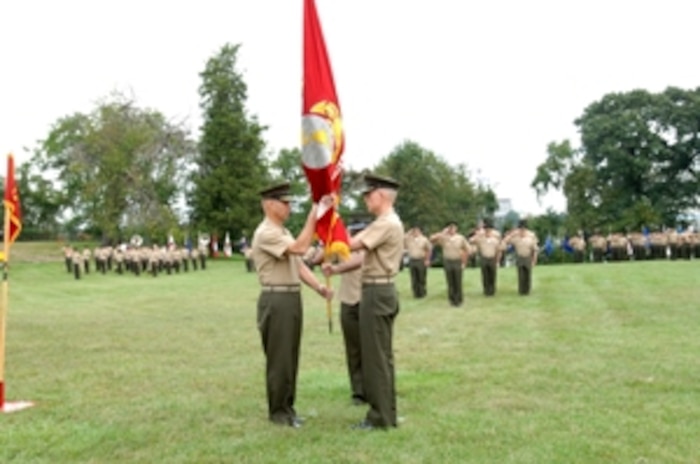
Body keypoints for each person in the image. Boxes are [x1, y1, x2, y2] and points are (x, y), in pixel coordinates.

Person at [250, 181, 334, 428]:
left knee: (290, 356)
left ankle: (288, 408)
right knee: (280, 358)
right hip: (276, 298)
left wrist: (319, 287)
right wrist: (313, 214)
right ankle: (279, 413)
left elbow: (298, 265)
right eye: (285, 203)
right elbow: (300, 248)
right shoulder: (266, 232)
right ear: (269, 204)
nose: (289, 207)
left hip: (290, 297)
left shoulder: (282, 232)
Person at [348, 173, 403, 430]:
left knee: (375, 358)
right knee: (382, 356)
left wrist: (329, 224)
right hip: (381, 291)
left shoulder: (386, 223)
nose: (366, 200)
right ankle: (387, 413)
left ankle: (380, 417)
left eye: (369, 195)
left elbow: (352, 244)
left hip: (376, 292)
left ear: (381, 195)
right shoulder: (386, 221)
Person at [320, 221, 368, 406]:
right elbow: (318, 258)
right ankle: (359, 391)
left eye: (359, 232)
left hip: (367, 299)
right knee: (353, 349)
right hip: (348, 300)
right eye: (353, 231)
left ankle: (375, 388)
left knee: (371, 348)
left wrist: (336, 269)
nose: (355, 235)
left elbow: (358, 261)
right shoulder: (341, 248)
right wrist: (326, 241)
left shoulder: (369, 247)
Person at [429, 222, 470, 307]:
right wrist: (442, 233)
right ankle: (452, 300)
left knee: (457, 281)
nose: (451, 230)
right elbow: (431, 239)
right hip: (448, 261)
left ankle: (459, 300)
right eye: (450, 228)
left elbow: (467, 250)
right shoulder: (443, 238)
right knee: (450, 281)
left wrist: (464, 262)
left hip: (457, 260)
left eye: (453, 228)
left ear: (456, 229)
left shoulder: (460, 238)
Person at [503, 220, 539, 295]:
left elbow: (535, 249)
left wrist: (534, 260)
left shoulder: (531, 237)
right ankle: (521, 291)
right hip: (520, 257)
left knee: (527, 275)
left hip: (528, 257)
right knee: (521, 275)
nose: (522, 231)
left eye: (523, 229)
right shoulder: (516, 238)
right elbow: (505, 241)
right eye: (520, 229)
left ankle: (527, 290)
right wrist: (512, 234)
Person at [469, 219, 502, 296]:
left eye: (489, 230)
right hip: (484, 257)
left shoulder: (495, 240)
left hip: (492, 257)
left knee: (492, 274)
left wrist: (497, 261)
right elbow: (471, 240)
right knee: (485, 275)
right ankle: (486, 290)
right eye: (486, 230)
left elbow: (498, 251)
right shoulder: (480, 239)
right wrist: (479, 234)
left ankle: (492, 290)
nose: (487, 231)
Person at [404, 226, 432, 298]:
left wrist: (427, 260)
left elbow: (428, 250)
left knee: (421, 277)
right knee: (414, 278)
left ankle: (422, 292)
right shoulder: (409, 239)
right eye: (414, 231)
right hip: (412, 260)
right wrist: (408, 233)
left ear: (420, 232)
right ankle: (416, 293)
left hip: (421, 259)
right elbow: (401, 239)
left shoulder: (424, 239)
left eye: (417, 231)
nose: (415, 233)